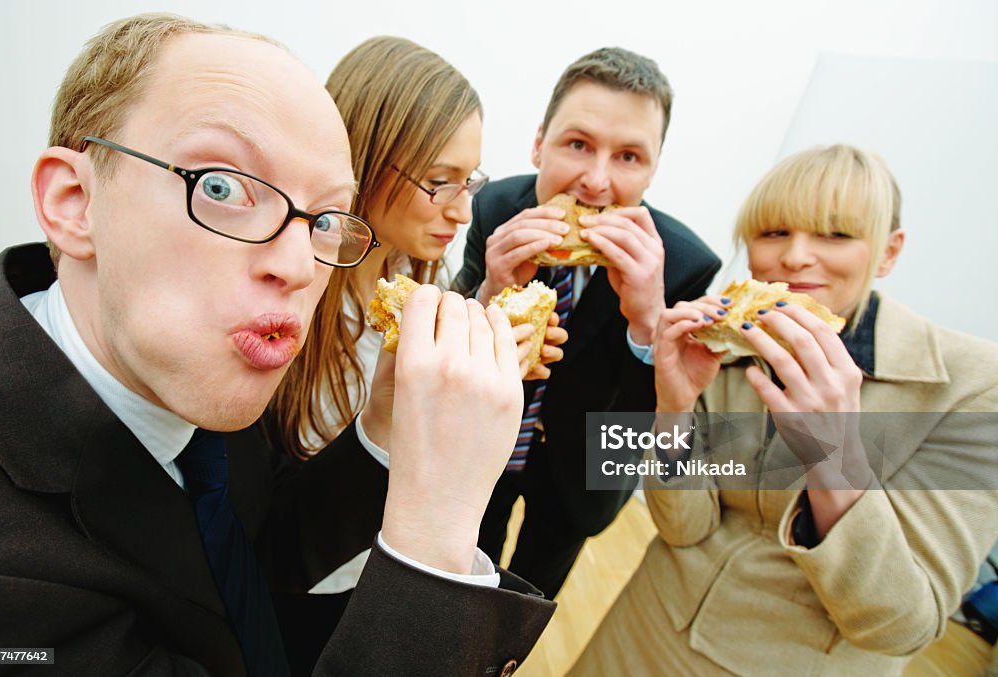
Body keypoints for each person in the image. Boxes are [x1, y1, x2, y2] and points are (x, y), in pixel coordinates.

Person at [0, 14, 554, 676]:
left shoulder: (186, 376)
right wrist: (434, 541)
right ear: (75, 201)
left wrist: (383, 428)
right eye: (221, 186)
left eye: (326, 219)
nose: (300, 266)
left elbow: (256, 552)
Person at [570, 144, 998, 675]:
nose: (795, 256)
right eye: (774, 233)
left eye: (835, 234)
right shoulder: (725, 350)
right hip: (641, 636)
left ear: (888, 252)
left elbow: (898, 625)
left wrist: (835, 453)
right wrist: (675, 403)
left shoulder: (973, 388)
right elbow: (684, 528)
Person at [264, 35, 566, 661]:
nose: (464, 210)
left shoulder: (687, 273)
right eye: (440, 181)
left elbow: (615, 488)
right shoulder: (295, 299)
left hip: (412, 570)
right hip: (316, 583)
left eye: (471, 179)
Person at [452, 46, 721, 597]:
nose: (596, 183)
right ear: (539, 143)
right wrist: (489, 292)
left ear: (652, 169)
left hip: (582, 477)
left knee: (522, 606)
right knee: (452, 591)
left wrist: (647, 326)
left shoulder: (687, 265)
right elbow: (451, 356)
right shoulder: (494, 209)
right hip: (483, 455)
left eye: (628, 157)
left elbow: (654, 419)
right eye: (578, 145)